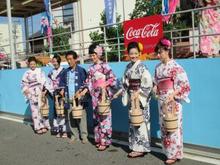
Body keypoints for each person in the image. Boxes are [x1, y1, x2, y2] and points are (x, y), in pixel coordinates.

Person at [154, 38, 190, 164]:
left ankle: (174, 153)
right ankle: (168, 151)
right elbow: (156, 82)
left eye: (160, 52)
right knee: (164, 125)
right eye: (157, 53)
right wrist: (155, 87)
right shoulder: (158, 67)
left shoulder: (176, 67)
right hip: (162, 100)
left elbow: (185, 85)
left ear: (167, 51)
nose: (158, 55)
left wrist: (174, 94)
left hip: (172, 99)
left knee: (173, 126)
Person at [78, 43, 117, 151]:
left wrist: (104, 84)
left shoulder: (105, 66)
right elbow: (88, 82)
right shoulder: (91, 69)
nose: (92, 57)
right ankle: (99, 139)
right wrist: (84, 90)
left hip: (103, 95)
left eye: (94, 54)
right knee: (96, 118)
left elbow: (113, 79)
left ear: (99, 54)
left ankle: (105, 141)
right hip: (95, 96)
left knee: (104, 118)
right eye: (91, 55)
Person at [120, 42, 152, 158]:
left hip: (140, 96)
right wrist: (126, 87)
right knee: (133, 121)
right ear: (128, 54)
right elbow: (124, 81)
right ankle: (135, 146)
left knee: (141, 122)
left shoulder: (142, 67)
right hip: (131, 96)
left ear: (139, 53)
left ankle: (141, 148)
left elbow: (148, 83)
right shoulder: (128, 67)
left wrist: (138, 93)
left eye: (135, 53)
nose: (133, 56)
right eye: (131, 53)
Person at [59, 51, 88, 143]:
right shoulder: (65, 72)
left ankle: (84, 136)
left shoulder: (81, 70)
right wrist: (62, 90)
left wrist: (81, 92)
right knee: (70, 117)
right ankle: (74, 135)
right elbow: (62, 83)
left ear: (75, 59)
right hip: (68, 98)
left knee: (81, 117)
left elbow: (86, 83)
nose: (69, 61)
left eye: (71, 59)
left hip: (78, 98)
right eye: (67, 59)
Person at [21, 56, 50, 134]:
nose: (32, 65)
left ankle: (44, 125)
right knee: (35, 111)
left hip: (40, 91)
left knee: (42, 108)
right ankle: (37, 127)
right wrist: (27, 91)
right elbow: (24, 83)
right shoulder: (26, 73)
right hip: (32, 93)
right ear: (29, 65)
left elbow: (45, 80)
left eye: (34, 64)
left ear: (36, 64)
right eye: (31, 64)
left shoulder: (40, 71)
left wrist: (45, 90)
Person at [47, 54, 66, 138]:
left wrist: (63, 90)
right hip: (54, 93)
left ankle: (64, 131)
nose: (54, 63)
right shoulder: (51, 72)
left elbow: (66, 82)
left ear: (59, 61)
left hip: (62, 93)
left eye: (55, 61)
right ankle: (58, 130)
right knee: (56, 111)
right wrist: (50, 91)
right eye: (53, 61)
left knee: (63, 111)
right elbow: (48, 82)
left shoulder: (64, 71)